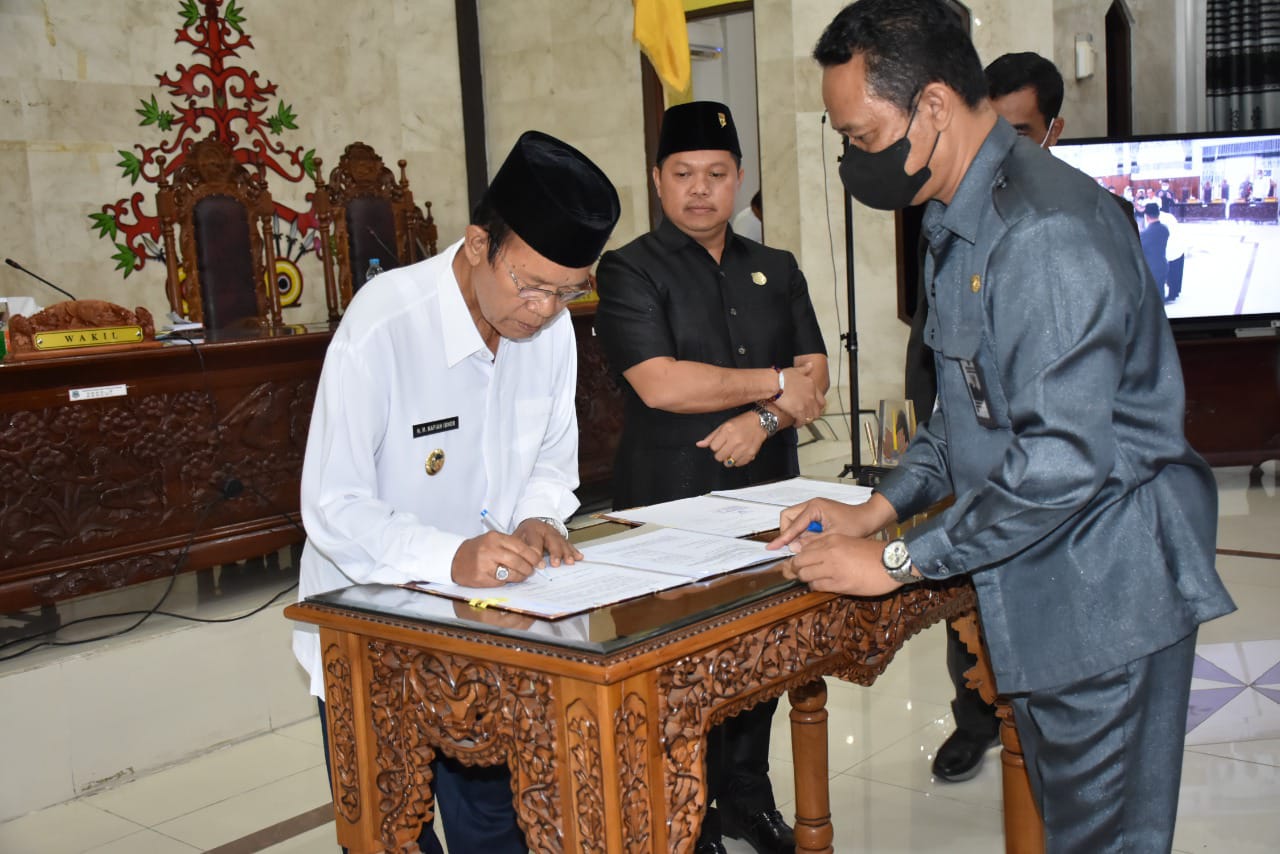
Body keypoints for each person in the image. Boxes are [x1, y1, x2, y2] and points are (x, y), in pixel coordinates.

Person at [774, 3, 1236, 852]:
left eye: (863, 136)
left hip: (1107, 593)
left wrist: (897, 561)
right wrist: (876, 510)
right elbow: (965, 411)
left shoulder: (1043, 232)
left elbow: (1059, 461)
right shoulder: (959, 216)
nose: (854, 160)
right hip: (1044, 581)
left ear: (934, 106)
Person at [292, 130, 621, 854]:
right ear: (477, 245)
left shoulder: (550, 330)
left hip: (491, 626)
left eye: (567, 291)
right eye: (531, 285)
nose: (544, 309)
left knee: (496, 828)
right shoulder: (385, 324)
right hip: (372, 628)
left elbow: (551, 458)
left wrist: (538, 516)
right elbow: (332, 505)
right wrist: (449, 557)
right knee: (391, 834)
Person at [595, 100, 828, 854]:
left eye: (717, 174)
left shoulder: (777, 267)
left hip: (768, 495)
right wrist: (774, 386)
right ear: (657, 179)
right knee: (680, 667)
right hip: (670, 499)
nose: (700, 189)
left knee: (761, 654)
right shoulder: (629, 269)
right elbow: (661, 383)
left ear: (739, 179)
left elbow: (816, 379)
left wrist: (763, 420)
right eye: (684, 173)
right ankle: (686, 820)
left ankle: (746, 801)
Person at [916, 48, 1141, 785]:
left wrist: (898, 558)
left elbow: (1078, 421)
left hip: (1071, 501)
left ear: (1052, 131)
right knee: (972, 601)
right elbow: (943, 349)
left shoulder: (1073, 221)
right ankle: (976, 717)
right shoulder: (950, 216)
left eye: (1016, 133)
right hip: (976, 448)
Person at [1141, 201, 1171, 299]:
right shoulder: (1165, 229)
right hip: (1162, 265)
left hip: (1151, 268)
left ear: (1146, 216)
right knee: (1160, 293)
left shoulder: (1145, 234)